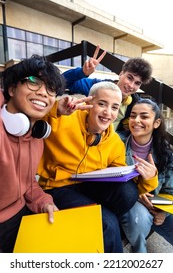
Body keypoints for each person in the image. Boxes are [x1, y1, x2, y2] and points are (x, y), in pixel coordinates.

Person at [37, 81, 158, 253]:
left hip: (89, 188)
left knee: (128, 192)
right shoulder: (62, 119)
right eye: (102, 104)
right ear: (88, 104)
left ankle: (93, 222)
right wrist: (55, 108)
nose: (108, 113)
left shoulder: (115, 142)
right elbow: (32, 119)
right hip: (57, 188)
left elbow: (123, 183)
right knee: (108, 222)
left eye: (115, 107)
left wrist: (149, 177)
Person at [0, 54, 92, 253]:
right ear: (11, 89)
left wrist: (44, 202)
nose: (43, 93)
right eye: (34, 82)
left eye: (51, 89)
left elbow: (28, 183)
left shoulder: (36, 136)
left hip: (19, 216)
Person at [120, 98, 173, 252]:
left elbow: (170, 190)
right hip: (130, 200)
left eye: (144, 116)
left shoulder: (166, 152)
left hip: (155, 201)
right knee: (140, 220)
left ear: (156, 123)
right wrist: (137, 194)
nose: (136, 120)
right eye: (133, 115)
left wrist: (162, 210)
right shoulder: (117, 144)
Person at [63, 49, 153, 135]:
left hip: (110, 144)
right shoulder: (99, 87)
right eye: (129, 78)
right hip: (85, 135)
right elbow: (64, 82)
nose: (131, 86)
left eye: (137, 83)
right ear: (121, 74)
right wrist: (82, 72)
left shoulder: (134, 103)